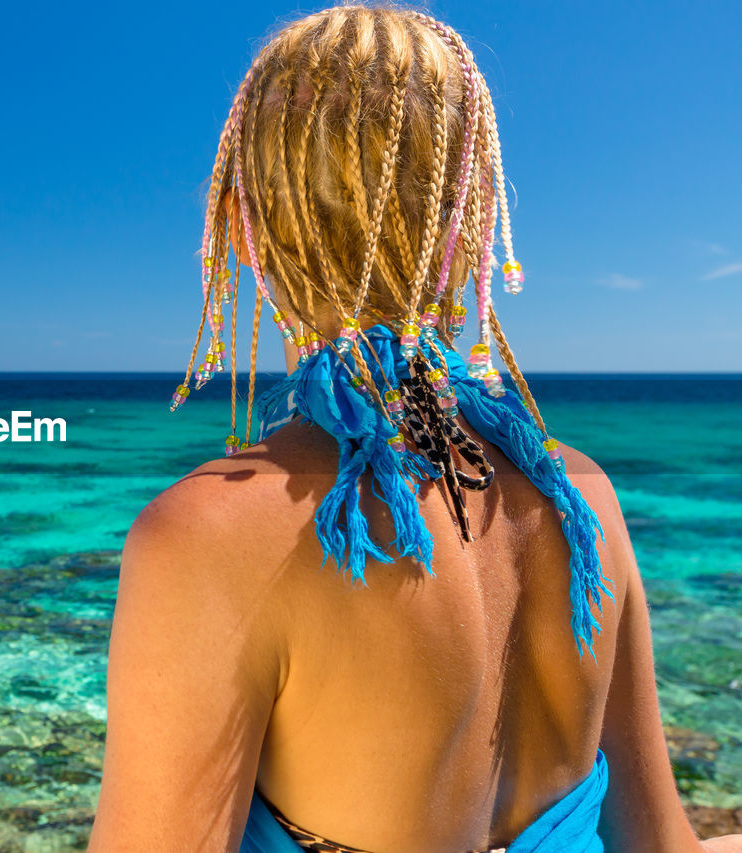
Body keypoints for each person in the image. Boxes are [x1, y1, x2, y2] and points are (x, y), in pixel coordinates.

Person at [86, 5, 742, 852]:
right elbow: (665, 848)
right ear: (471, 224)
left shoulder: (211, 541)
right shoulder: (583, 502)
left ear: (243, 226)